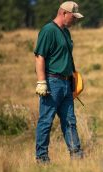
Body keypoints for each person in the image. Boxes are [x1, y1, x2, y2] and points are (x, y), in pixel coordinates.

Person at [34, 1, 84, 163]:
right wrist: (41, 82)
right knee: (46, 121)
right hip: (52, 82)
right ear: (63, 13)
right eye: (73, 17)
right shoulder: (48, 30)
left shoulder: (66, 32)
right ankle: (42, 158)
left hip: (66, 83)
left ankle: (76, 157)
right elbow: (39, 56)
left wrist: (73, 79)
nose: (75, 20)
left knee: (70, 121)